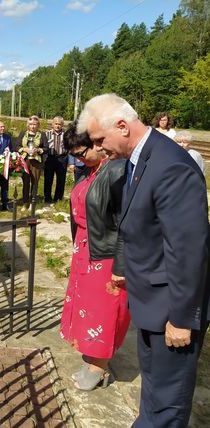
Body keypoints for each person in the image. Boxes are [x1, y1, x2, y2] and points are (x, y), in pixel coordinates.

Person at [78, 93, 209, 427]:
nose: (97, 147)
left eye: (98, 139)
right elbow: (142, 227)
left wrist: (183, 318)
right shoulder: (139, 158)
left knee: (168, 404)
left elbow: (188, 249)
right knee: (153, 392)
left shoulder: (171, 165)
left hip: (172, 311)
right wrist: (125, 272)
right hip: (151, 303)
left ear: (122, 126)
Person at [59, 121, 130, 390]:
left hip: (106, 251)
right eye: (74, 155)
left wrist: (121, 263)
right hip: (86, 248)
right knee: (86, 305)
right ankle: (93, 355)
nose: (78, 159)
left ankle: (99, 366)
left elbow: (126, 221)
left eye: (81, 153)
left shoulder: (116, 170)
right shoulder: (92, 169)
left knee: (104, 308)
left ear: (98, 144)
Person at [17, 115, 49, 208]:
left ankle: (33, 202)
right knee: (25, 181)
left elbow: (46, 148)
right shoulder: (23, 133)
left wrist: (38, 150)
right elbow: (16, 146)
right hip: (25, 160)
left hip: (36, 162)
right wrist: (24, 149)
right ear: (28, 125)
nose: (33, 126)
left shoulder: (42, 134)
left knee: (35, 182)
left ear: (38, 125)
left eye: (35, 124)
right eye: (31, 124)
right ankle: (25, 202)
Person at [44, 116, 68, 203]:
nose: (57, 126)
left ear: (62, 125)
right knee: (48, 179)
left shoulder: (66, 135)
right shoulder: (47, 134)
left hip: (62, 158)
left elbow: (69, 146)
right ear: (52, 124)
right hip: (50, 158)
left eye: (59, 124)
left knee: (61, 179)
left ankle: (58, 198)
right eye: (56, 124)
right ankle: (47, 198)